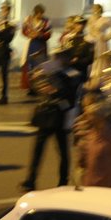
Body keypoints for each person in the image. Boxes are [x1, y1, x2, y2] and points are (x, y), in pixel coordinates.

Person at [20, 59, 76, 190]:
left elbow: (71, 97)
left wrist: (55, 91)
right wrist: (34, 79)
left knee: (62, 152)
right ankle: (30, 180)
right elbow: (35, 89)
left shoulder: (70, 75)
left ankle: (63, 181)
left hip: (58, 117)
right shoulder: (47, 74)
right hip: (45, 116)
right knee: (37, 151)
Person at [73, 95, 111, 188]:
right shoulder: (88, 135)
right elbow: (81, 161)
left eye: (90, 116)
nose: (87, 118)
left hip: (108, 184)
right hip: (90, 183)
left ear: (100, 118)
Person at [19, 4, 51, 93]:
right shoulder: (28, 20)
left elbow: (49, 34)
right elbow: (23, 31)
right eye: (39, 14)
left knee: (40, 66)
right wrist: (29, 34)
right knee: (30, 65)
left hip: (41, 45)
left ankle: (40, 87)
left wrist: (40, 35)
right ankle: (30, 87)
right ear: (35, 13)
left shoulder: (46, 21)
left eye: (42, 14)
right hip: (31, 45)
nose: (41, 16)